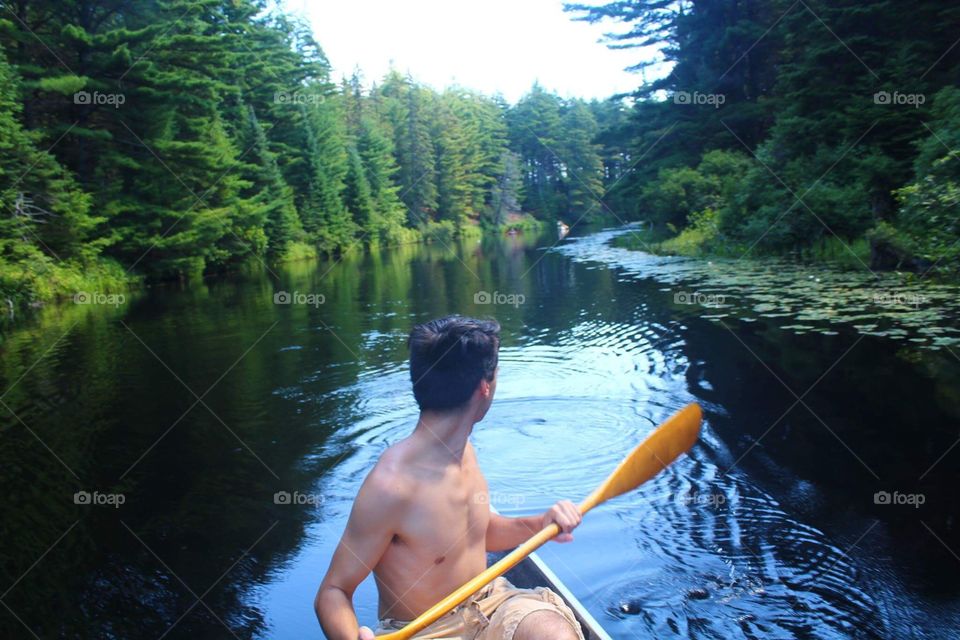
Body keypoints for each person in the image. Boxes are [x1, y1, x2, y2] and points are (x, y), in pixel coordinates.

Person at [315, 315, 584, 640]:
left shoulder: (463, 451)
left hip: (490, 602)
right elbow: (333, 591)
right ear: (484, 387)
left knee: (553, 633)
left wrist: (542, 524)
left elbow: (477, 533)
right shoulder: (391, 486)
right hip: (426, 631)